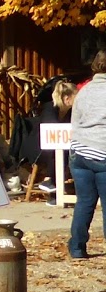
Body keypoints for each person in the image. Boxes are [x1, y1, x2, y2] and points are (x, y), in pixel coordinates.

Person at [68, 50, 106, 259]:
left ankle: (77, 248)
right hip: (103, 152)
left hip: (80, 153)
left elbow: (75, 122)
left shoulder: (84, 91)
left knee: (84, 203)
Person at [37, 80, 78, 195]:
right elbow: (51, 132)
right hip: (39, 146)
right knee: (59, 150)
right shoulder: (50, 108)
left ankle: (56, 187)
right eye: (76, 98)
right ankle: (52, 181)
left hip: (60, 145)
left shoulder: (70, 112)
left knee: (70, 150)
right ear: (67, 99)